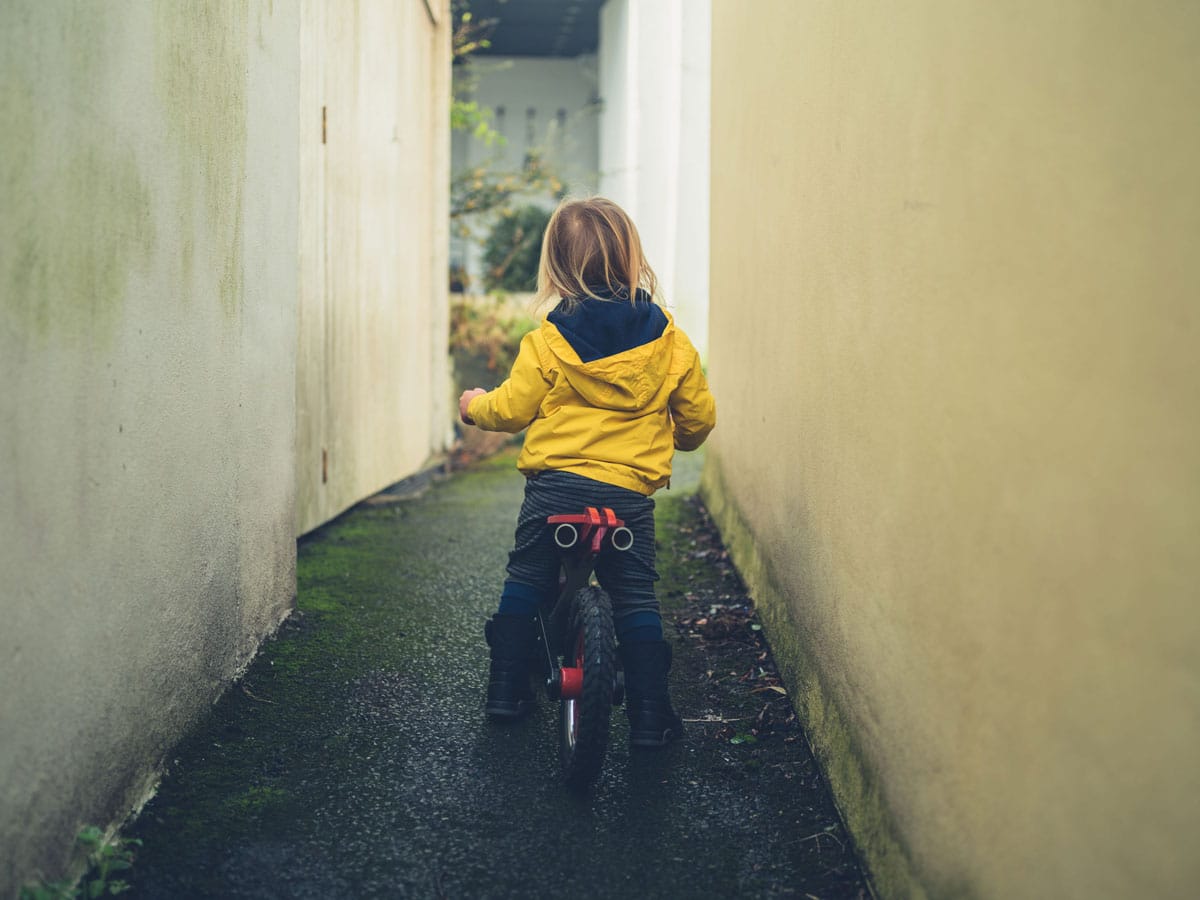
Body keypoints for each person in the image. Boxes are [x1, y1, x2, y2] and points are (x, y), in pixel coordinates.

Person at [459, 196, 716, 749]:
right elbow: (698, 418)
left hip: (555, 488)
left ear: (556, 267)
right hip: (626, 495)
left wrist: (474, 404)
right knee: (635, 596)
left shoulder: (549, 340)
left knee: (527, 577)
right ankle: (650, 716)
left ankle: (505, 689)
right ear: (631, 260)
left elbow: (511, 409)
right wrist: (679, 438)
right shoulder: (670, 341)